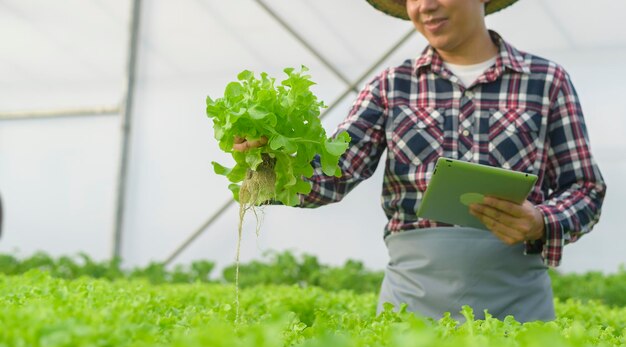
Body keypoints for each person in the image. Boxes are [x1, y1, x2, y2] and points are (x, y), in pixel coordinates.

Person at [234, 0, 606, 322]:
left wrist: (542, 221)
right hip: (412, 305)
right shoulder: (391, 86)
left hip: (518, 305)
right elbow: (333, 175)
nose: (423, 6)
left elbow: (585, 189)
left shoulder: (545, 82)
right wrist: (271, 162)